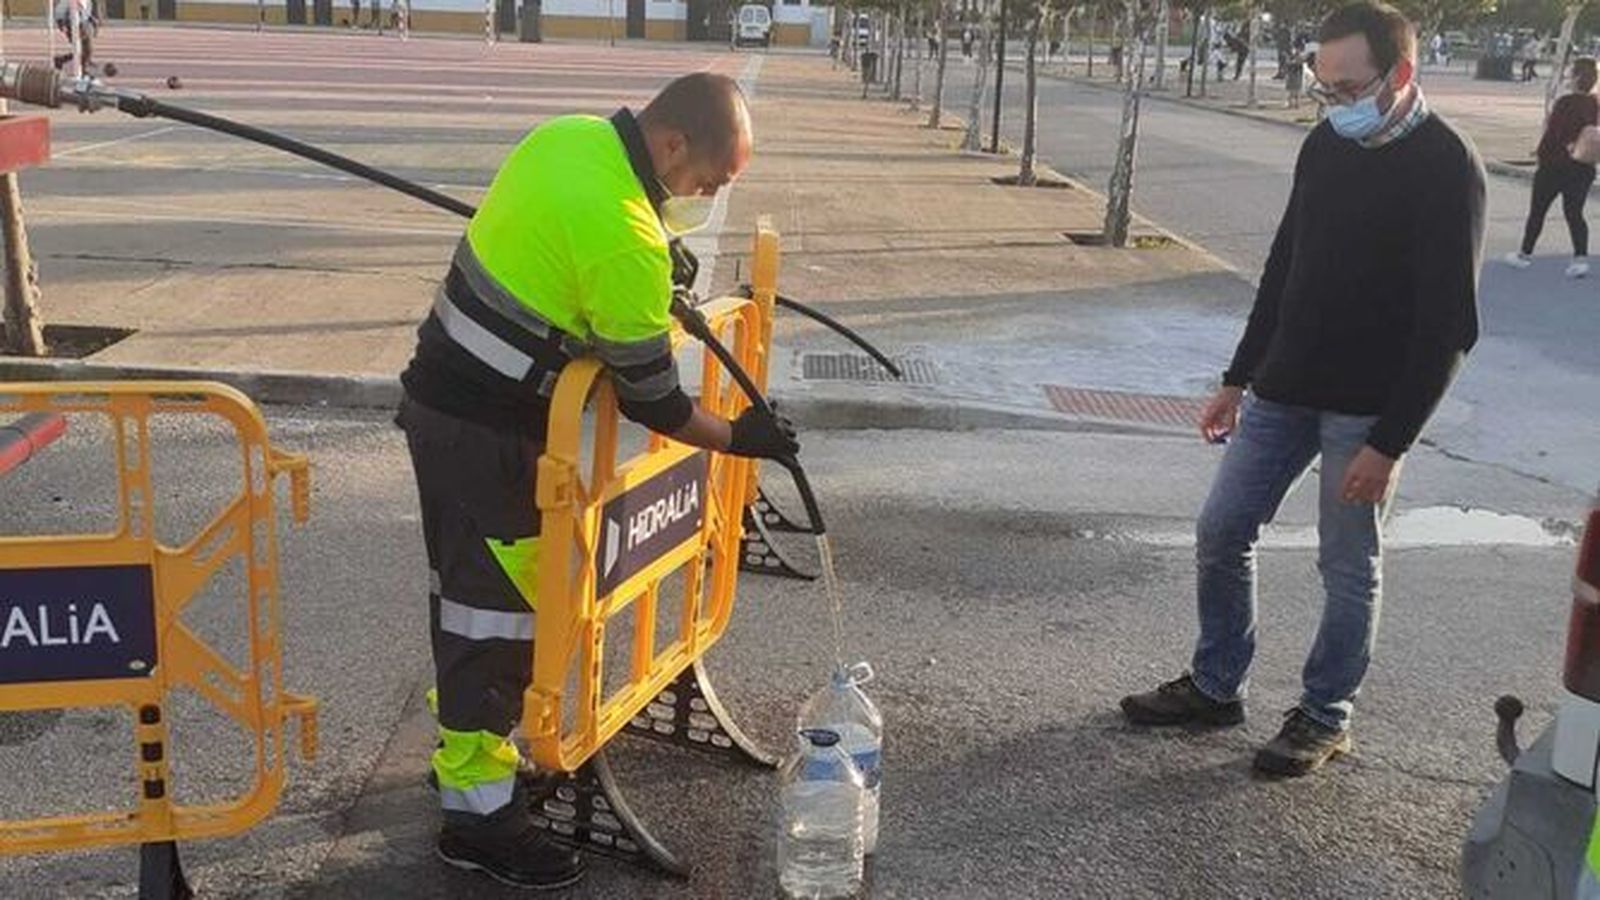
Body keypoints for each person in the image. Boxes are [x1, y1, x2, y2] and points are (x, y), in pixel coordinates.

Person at [397, 73, 798, 889]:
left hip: (440, 409)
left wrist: (653, 276)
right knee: (500, 619)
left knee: (473, 599)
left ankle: (471, 749)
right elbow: (654, 400)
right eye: (709, 181)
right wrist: (739, 438)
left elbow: (558, 261)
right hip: (487, 438)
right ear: (674, 145)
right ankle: (477, 821)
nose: (706, 197)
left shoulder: (567, 138)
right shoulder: (626, 238)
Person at [1120, 1, 1484, 778]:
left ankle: (1325, 713)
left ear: (1400, 73)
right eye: (1324, 88)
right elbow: (1285, 267)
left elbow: (1449, 326)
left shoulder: (1447, 165)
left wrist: (1390, 443)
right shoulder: (1325, 145)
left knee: (1347, 566)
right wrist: (1237, 378)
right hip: (1282, 390)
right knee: (1223, 530)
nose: (1336, 105)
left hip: (1367, 411)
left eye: (1350, 89)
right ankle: (1216, 684)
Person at [1506, 57, 1599, 279]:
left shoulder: (1565, 102)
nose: (1568, 74)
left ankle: (1525, 254)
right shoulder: (1594, 104)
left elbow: (1554, 134)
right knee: (1574, 212)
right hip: (1583, 166)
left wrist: (1539, 152)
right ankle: (1580, 258)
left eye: (1571, 71)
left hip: (1554, 165)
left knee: (1538, 211)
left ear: (1576, 76)